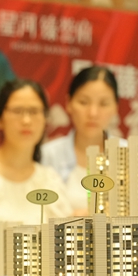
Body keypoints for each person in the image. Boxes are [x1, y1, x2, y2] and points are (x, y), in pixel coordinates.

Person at [0, 78, 72, 226]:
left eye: (34, 111)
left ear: (45, 119)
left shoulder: (50, 181)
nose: (26, 120)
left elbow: (61, 236)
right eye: (17, 111)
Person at [40, 66, 120, 214]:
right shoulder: (47, 155)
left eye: (103, 104)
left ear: (115, 107)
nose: (93, 113)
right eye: (83, 102)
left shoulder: (132, 155)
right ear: (68, 103)